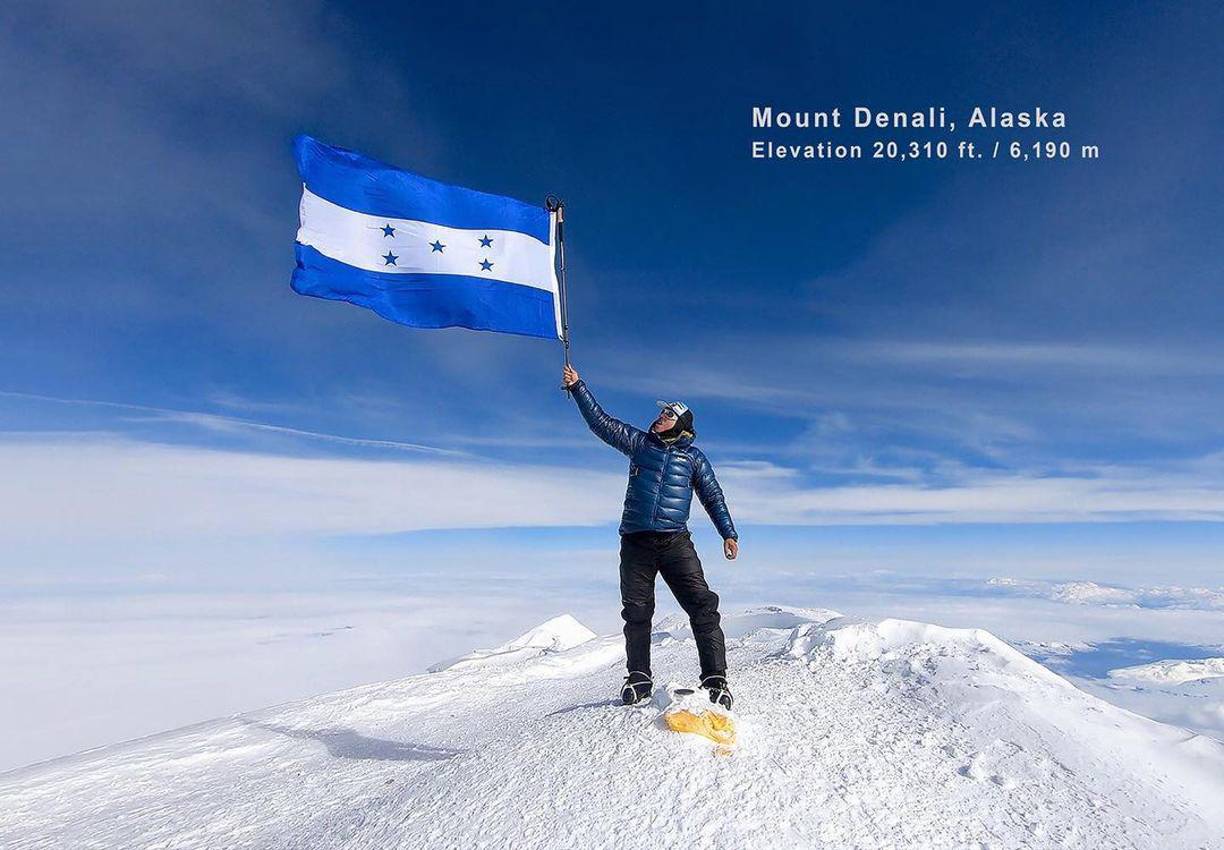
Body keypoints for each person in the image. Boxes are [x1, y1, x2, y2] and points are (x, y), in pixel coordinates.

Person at [562, 364, 739, 708]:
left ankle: (715, 679)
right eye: (659, 412)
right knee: (637, 612)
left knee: (703, 607)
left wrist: (728, 534)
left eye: (667, 414)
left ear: (681, 424)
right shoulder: (640, 444)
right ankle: (639, 678)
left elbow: (713, 496)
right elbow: (601, 423)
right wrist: (578, 386)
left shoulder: (694, 459)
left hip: (675, 542)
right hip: (636, 541)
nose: (659, 417)